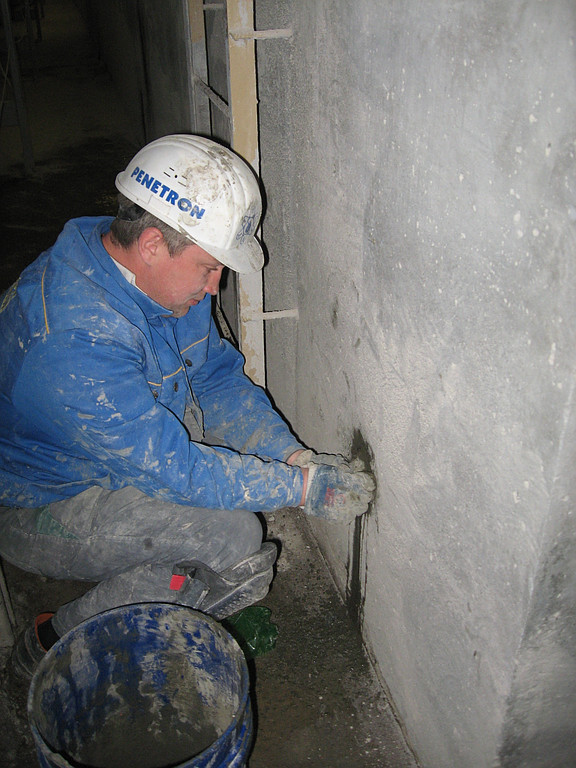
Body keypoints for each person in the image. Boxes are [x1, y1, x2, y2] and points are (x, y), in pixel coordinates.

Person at [0, 134, 374, 679]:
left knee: (232, 493)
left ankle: (173, 602)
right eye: (208, 268)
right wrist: (301, 490)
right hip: (41, 501)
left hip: (110, 453)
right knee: (231, 541)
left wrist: (292, 457)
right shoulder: (74, 342)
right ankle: (50, 643)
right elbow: (177, 470)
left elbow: (215, 379)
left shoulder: (150, 277)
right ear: (153, 244)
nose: (216, 285)